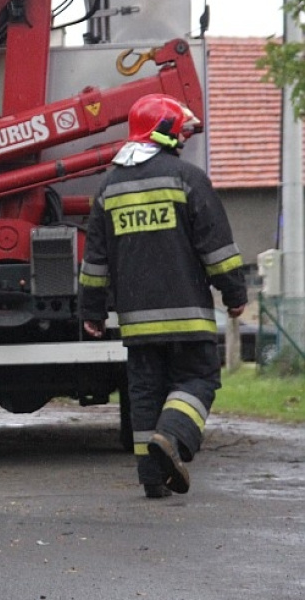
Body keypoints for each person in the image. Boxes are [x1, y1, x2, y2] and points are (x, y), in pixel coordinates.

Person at [80, 93, 247, 499]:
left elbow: (95, 259)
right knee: (199, 378)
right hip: (188, 316)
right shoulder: (188, 179)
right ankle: (172, 437)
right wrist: (234, 292)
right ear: (167, 132)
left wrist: (92, 310)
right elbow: (217, 248)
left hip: (137, 322)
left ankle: (151, 477)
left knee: (145, 393)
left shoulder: (109, 187)